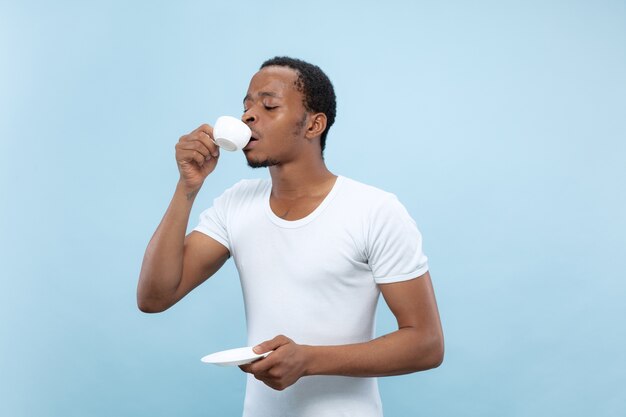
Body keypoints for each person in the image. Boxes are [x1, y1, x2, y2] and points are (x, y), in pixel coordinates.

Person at [137, 56, 444, 417]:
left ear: (314, 125)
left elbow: (426, 343)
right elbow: (155, 296)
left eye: (268, 105)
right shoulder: (235, 203)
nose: (248, 116)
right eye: (246, 106)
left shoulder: (374, 210)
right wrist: (187, 188)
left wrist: (309, 360)